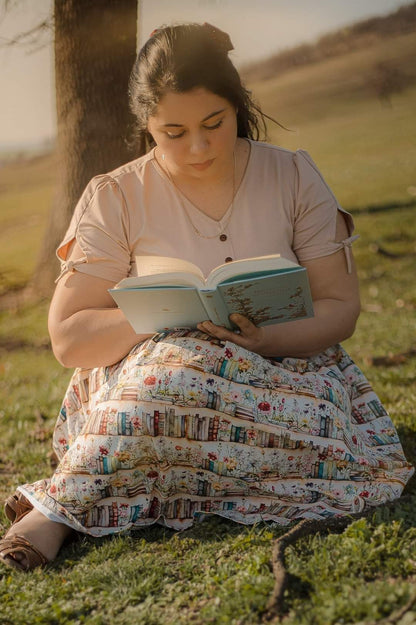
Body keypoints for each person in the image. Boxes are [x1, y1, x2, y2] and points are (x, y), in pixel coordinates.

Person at [0, 22, 413, 572]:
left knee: (311, 430)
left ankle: (113, 486)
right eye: (173, 132)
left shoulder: (292, 176)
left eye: (214, 124)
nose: (198, 147)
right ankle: (56, 513)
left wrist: (266, 338)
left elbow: (341, 307)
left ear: (237, 106)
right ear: (145, 124)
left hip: (283, 368)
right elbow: (67, 337)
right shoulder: (116, 196)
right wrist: (158, 318)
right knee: (171, 375)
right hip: (150, 376)